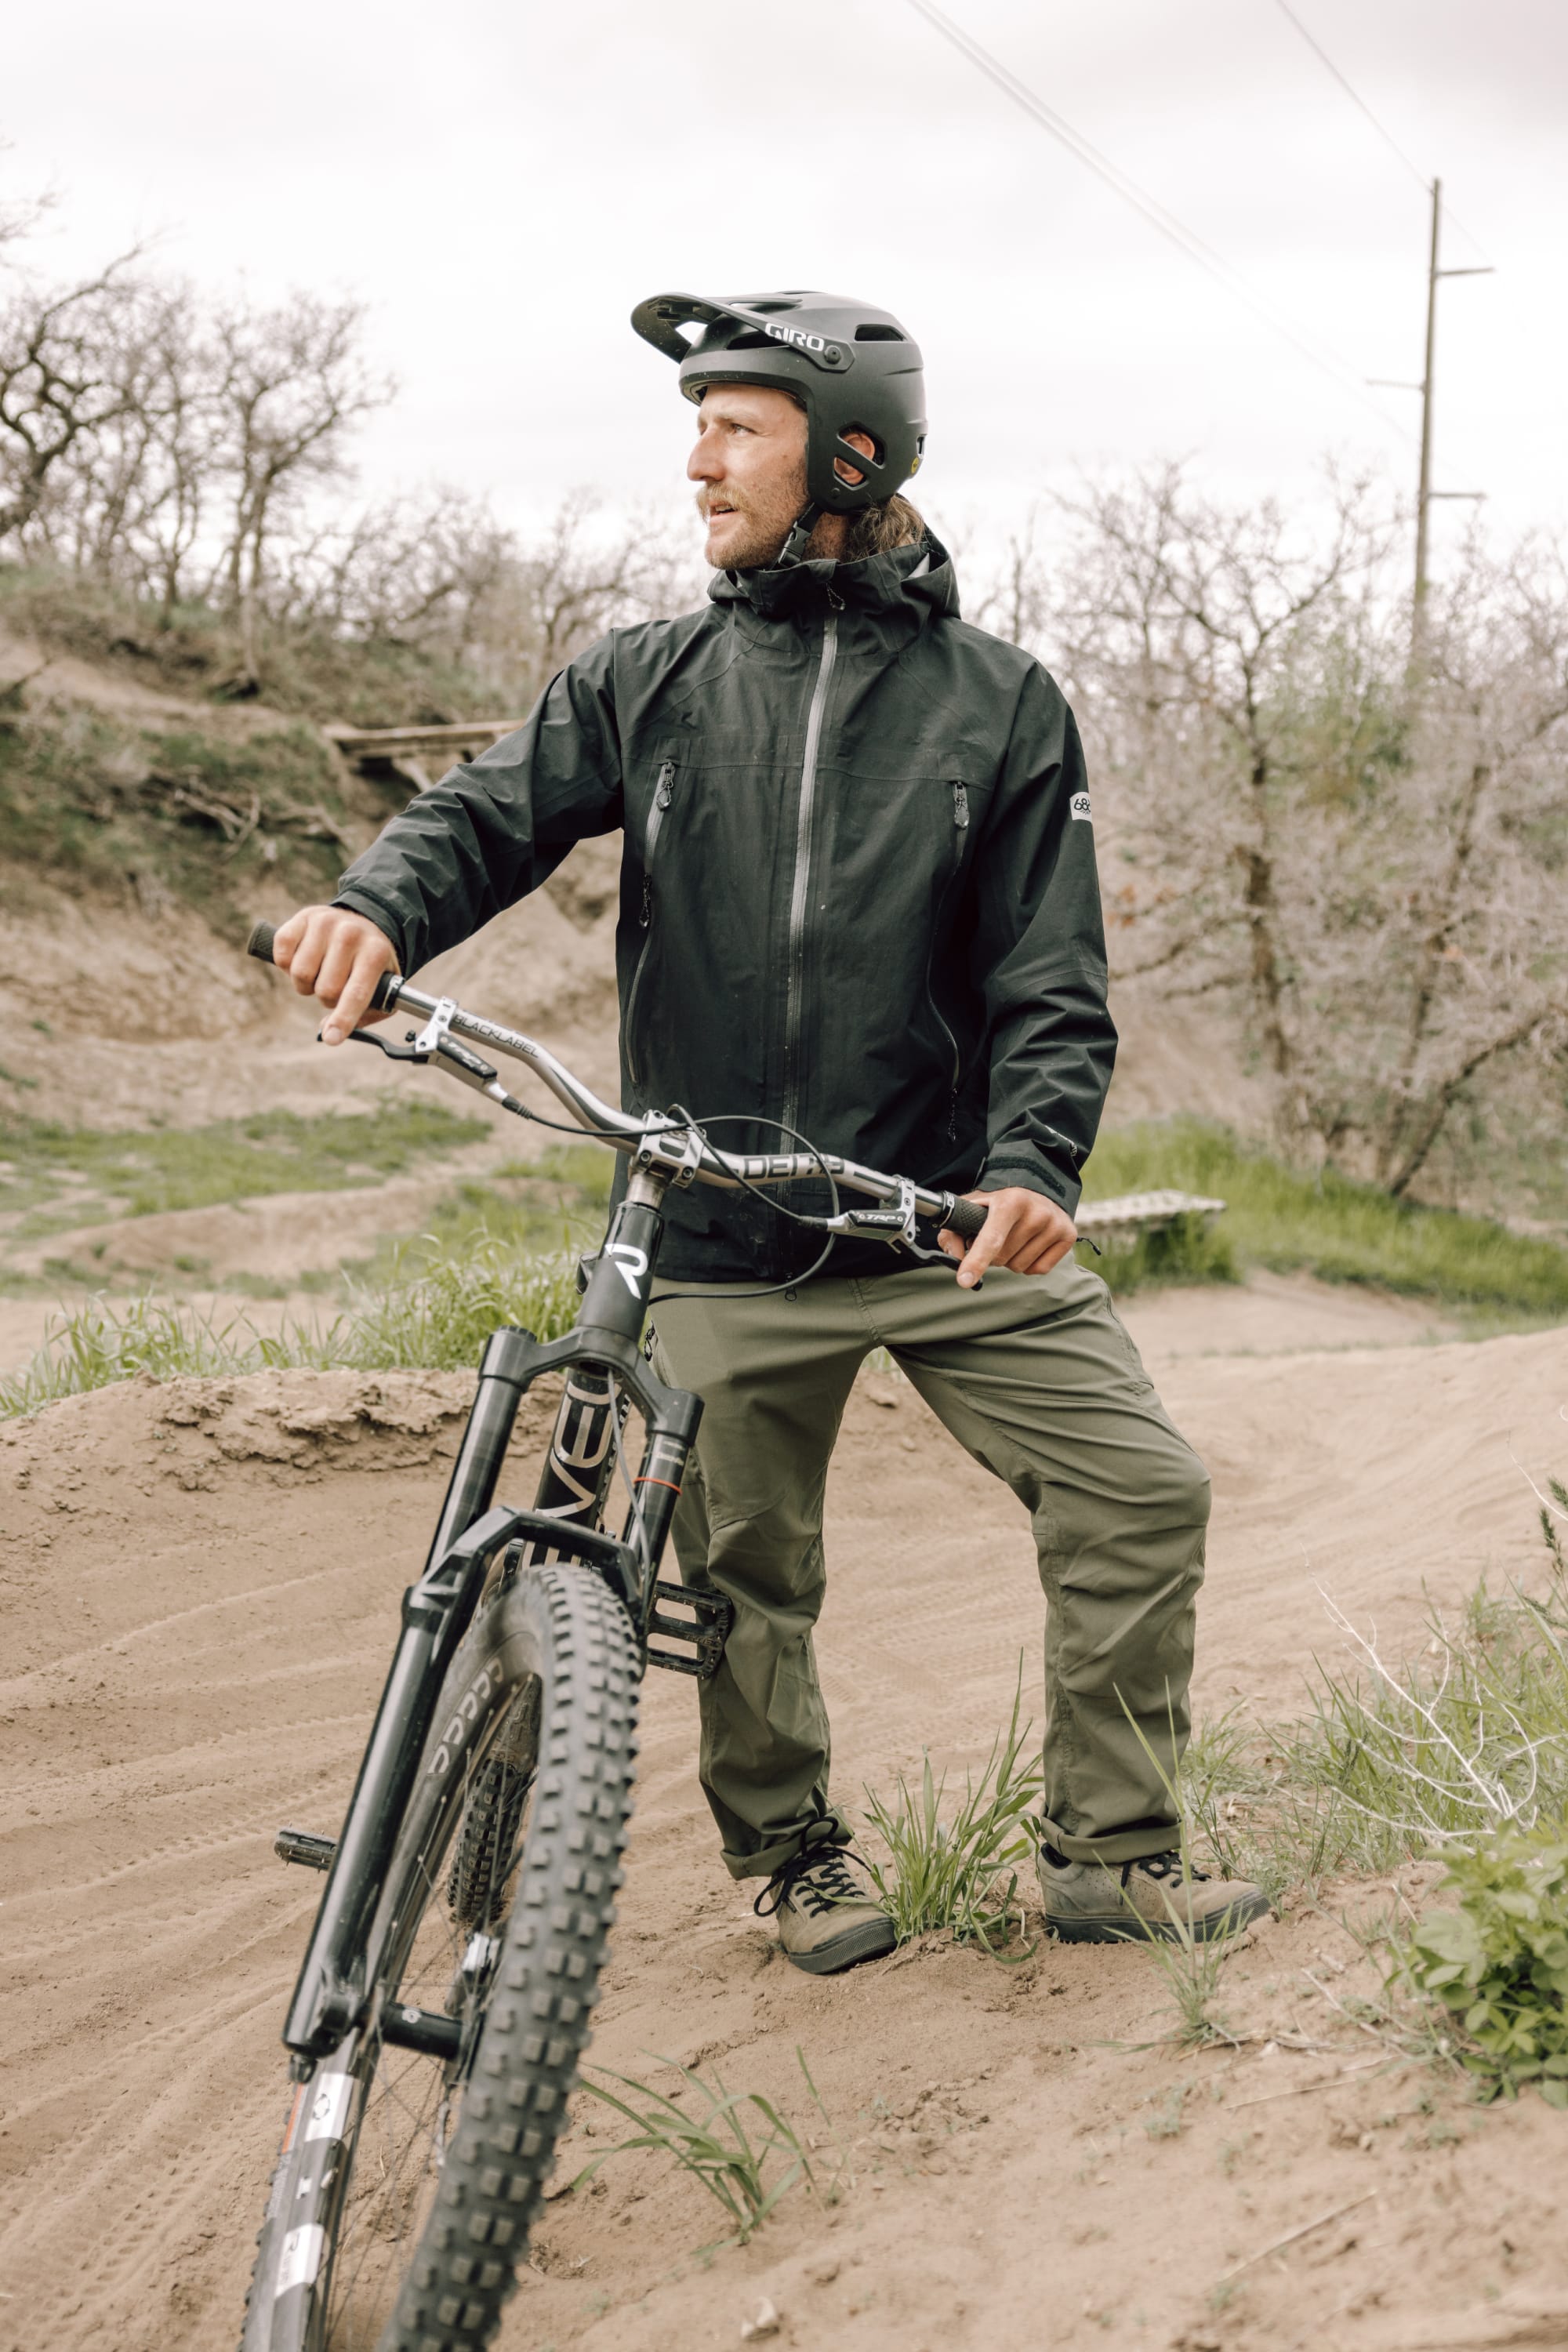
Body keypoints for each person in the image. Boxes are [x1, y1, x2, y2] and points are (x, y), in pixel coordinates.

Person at [272, 289, 1269, 1976]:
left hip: (935, 1221)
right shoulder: (642, 683)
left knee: (1137, 1488)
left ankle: (1111, 1854)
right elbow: (481, 818)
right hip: (718, 1228)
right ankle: (794, 1853)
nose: (696, 460)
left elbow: (1051, 981)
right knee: (742, 1573)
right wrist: (375, 910)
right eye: (697, 423)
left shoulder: (999, 706)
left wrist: (1031, 1168)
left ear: (849, 451)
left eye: (735, 425)